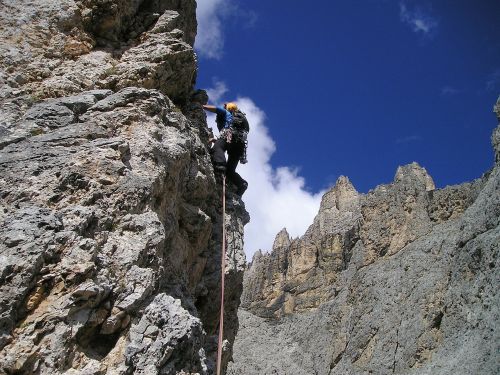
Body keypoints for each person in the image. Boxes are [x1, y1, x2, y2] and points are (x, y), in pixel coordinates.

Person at [203, 102, 248, 196]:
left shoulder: (227, 113)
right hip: (239, 144)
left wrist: (201, 105)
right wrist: (216, 140)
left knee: (217, 148)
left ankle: (220, 166)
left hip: (228, 135)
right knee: (230, 171)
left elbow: (215, 109)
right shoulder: (241, 119)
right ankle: (241, 183)